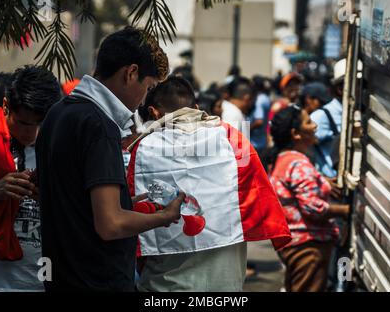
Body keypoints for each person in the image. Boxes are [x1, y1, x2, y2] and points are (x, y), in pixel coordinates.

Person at [35, 27, 185, 292]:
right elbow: (110, 224)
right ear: (131, 73)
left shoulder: (57, 114)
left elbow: (71, 197)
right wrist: (164, 216)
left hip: (60, 278)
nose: (142, 101)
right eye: (147, 87)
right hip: (96, 280)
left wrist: (125, 203)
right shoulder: (99, 126)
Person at [130, 76, 290, 292]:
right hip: (224, 283)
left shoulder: (143, 148)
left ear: (154, 113)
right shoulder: (233, 139)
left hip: (166, 286)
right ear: (195, 108)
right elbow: (259, 196)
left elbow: (133, 212)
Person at [0, 66, 61, 292]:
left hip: (38, 281)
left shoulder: (58, 147)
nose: (31, 133)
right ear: (5, 107)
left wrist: (48, 198)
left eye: (40, 124)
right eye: (23, 123)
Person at [269, 106, 349, 292]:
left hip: (294, 245)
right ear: (296, 134)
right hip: (308, 247)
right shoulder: (299, 164)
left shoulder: (284, 159)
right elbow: (313, 208)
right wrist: (345, 211)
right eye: (308, 122)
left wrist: (322, 181)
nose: (314, 126)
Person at [249, 76, 272, 155]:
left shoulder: (259, 100)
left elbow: (259, 121)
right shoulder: (265, 98)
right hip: (262, 140)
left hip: (256, 142)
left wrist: (246, 129)